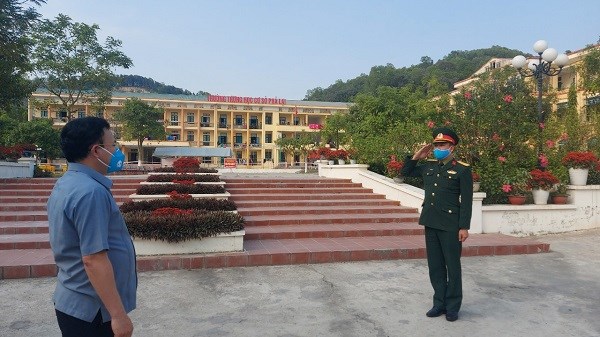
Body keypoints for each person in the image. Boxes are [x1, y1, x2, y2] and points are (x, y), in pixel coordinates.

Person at [47, 117, 137, 337]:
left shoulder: (69, 182)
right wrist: (118, 315)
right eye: (113, 145)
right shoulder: (90, 192)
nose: (116, 152)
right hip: (93, 311)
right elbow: (93, 259)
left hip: (76, 302)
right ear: (96, 151)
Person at [401, 127, 473, 322]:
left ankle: (452, 306)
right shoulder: (429, 166)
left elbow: (466, 201)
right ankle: (438, 303)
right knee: (435, 266)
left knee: (452, 266)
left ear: (452, 147)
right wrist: (417, 155)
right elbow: (404, 173)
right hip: (431, 221)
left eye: (442, 145)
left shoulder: (462, 169)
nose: (438, 148)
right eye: (436, 145)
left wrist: (464, 226)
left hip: (451, 225)